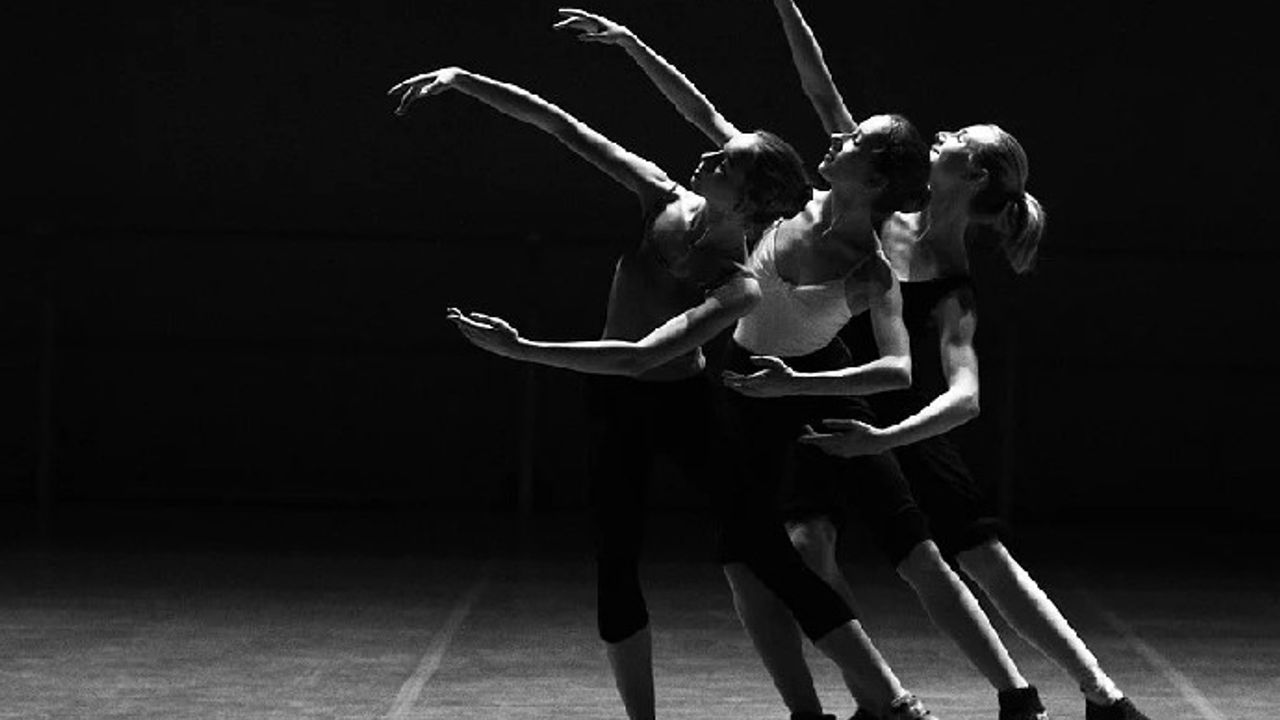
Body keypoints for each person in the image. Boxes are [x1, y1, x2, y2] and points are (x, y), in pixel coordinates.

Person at [390, 61, 923, 720]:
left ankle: (891, 701)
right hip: (616, 407)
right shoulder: (660, 194)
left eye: (724, 164)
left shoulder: (738, 285)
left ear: (745, 203)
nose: (706, 158)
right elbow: (562, 125)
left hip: (684, 405)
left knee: (767, 551)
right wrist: (465, 79)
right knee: (615, 561)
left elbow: (643, 356)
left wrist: (521, 348)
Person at [722, 2, 1152, 720]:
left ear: (974, 173)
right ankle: (881, 698)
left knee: (976, 556)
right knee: (809, 541)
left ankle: (1095, 693)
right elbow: (819, 87)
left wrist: (888, 437)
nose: (940, 134)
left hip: (898, 417)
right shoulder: (877, 202)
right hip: (828, 393)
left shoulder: (952, 282)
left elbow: (964, 396)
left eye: (956, 138)